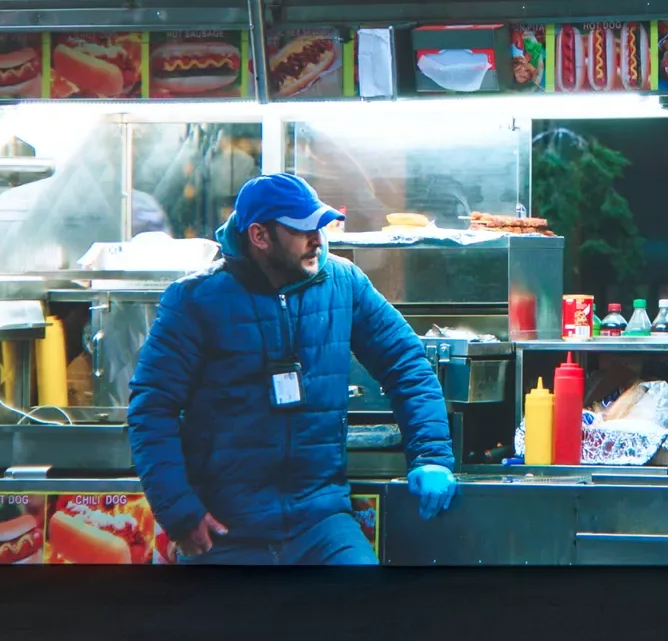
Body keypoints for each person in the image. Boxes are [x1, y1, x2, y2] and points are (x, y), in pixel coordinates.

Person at [127, 172, 458, 565]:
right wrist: (180, 512)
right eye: (302, 230)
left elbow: (406, 363)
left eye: (319, 225)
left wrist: (432, 455)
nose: (317, 238)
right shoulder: (194, 301)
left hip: (321, 523)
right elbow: (152, 410)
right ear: (260, 236)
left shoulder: (343, 283)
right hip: (226, 533)